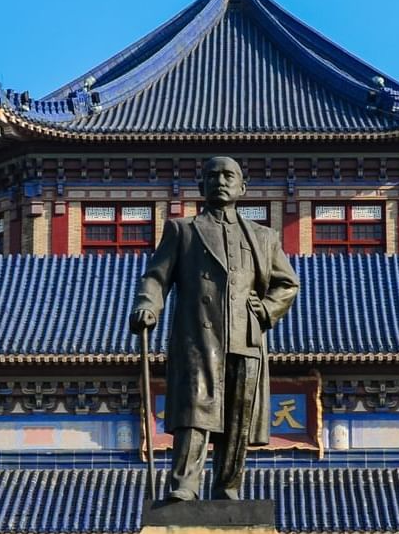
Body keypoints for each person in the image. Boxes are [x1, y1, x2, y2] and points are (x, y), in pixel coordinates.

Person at [128, 156, 300, 501]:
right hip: (199, 337)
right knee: (195, 410)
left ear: (242, 187)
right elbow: (156, 277)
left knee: (238, 415)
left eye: (228, 175)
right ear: (201, 186)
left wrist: (266, 309)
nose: (221, 181)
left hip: (246, 337)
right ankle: (185, 485)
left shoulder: (263, 237)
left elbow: (288, 283)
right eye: (213, 175)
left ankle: (228, 486)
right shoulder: (182, 231)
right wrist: (147, 306)